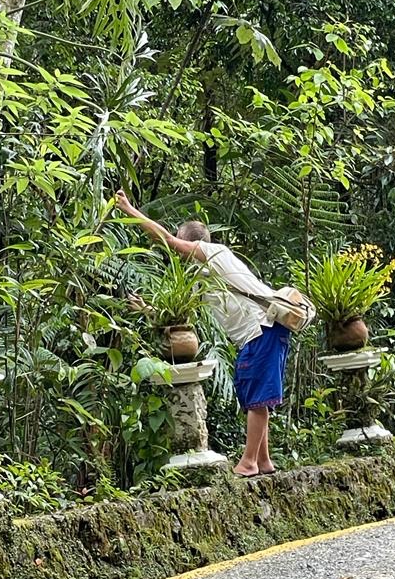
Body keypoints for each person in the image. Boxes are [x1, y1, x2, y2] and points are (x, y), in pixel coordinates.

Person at [116, 190, 290, 478]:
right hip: (260, 332)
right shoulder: (201, 278)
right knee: (254, 395)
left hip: (263, 327)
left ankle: (248, 462)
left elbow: (166, 240)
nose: (178, 250)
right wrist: (146, 309)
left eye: (181, 241)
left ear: (193, 241)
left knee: (256, 396)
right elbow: (180, 317)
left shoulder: (213, 253)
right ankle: (262, 461)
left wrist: (129, 210)